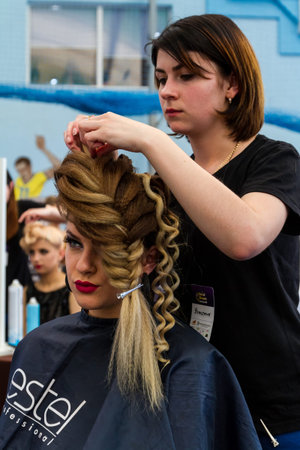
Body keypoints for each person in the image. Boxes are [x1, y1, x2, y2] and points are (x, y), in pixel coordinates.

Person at [62, 14, 300, 449]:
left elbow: (244, 236)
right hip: (189, 399)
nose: (167, 90)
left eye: (187, 75)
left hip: (270, 410)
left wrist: (152, 141)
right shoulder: (168, 180)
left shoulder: (277, 162)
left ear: (233, 84)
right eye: (160, 77)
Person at [0, 151, 261, 449]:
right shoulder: (37, 345)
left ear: (148, 259)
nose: (84, 265)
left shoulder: (187, 367)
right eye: (74, 242)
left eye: (106, 248)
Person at [19, 222, 80, 324]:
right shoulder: (27, 291)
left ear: (61, 254)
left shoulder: (72, 289)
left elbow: (78, 333)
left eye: (43, 251)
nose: (36, 258)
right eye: (31, 252)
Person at [14, 135, 60, 200]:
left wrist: (43, 149)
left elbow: (58, 167)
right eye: (18, 170)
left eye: (23, 169)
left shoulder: (38, 177)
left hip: (32, 207)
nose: (21, 172)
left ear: (29, 167)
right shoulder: (17, 181)